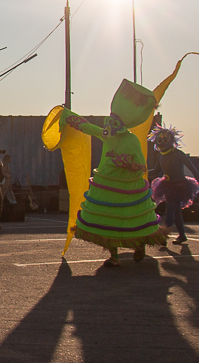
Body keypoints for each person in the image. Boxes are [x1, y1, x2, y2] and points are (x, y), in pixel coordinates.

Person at [58, 80, 168, 267]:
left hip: (128, 188)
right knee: (109, 221)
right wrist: (68, 116)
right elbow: (89, 128)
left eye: (114, 122)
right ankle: (114, 256)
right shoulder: (107, 134)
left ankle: (139, 245)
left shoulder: (132, 140)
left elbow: (140, 165)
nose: (110, 125)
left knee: (130, 220)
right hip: (108, 186)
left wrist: (120, 160)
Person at [148, 126, 199, 245]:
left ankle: (163, 235)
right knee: (175, 212)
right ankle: (182, 235)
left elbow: (191, 167)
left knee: (170, 209)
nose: (163, 143)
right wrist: (141, 171)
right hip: (168, 186)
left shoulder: (178, 154)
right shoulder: (161, 155)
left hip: (180, 186)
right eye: (160, 140)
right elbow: (155, 171)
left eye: (166, 140)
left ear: (172, 140)